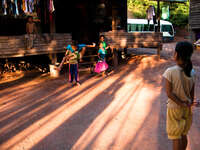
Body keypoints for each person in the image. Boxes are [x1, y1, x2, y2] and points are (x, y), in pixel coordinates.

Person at [163, 41, 195, 150]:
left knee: (176, 136)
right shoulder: (192, 72)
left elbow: (169, 93)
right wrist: (187, 103)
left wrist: (180, 103)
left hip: (174, 109)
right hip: (187, 108)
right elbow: (191, 94)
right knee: (183, 133)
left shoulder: (170, 72)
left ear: (176, 54)